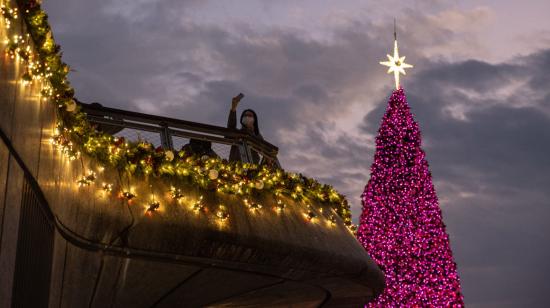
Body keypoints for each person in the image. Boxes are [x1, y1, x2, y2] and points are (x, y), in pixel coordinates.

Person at [227, 93, 265, 164]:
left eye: (250, 115)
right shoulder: (238, 133)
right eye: (245, 115)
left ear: (254, 120)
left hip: (252, 168)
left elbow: (264, 150)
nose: (247, 117)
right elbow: (230, 129)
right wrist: (233, 108)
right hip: (235, 167)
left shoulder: (257, 135)